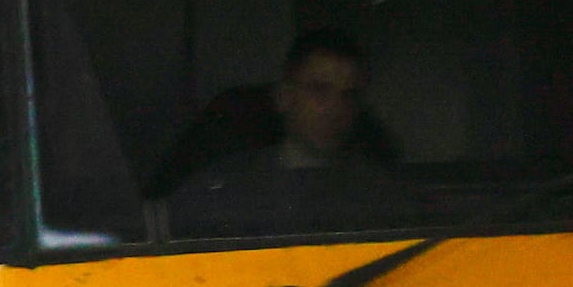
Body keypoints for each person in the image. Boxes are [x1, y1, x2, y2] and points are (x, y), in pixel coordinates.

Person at [153, 28, 403, 224]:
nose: (335, 108)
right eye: (319, 91)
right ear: (284, 97)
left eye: (349, 95)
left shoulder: (380, 193)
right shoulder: (226, 189)